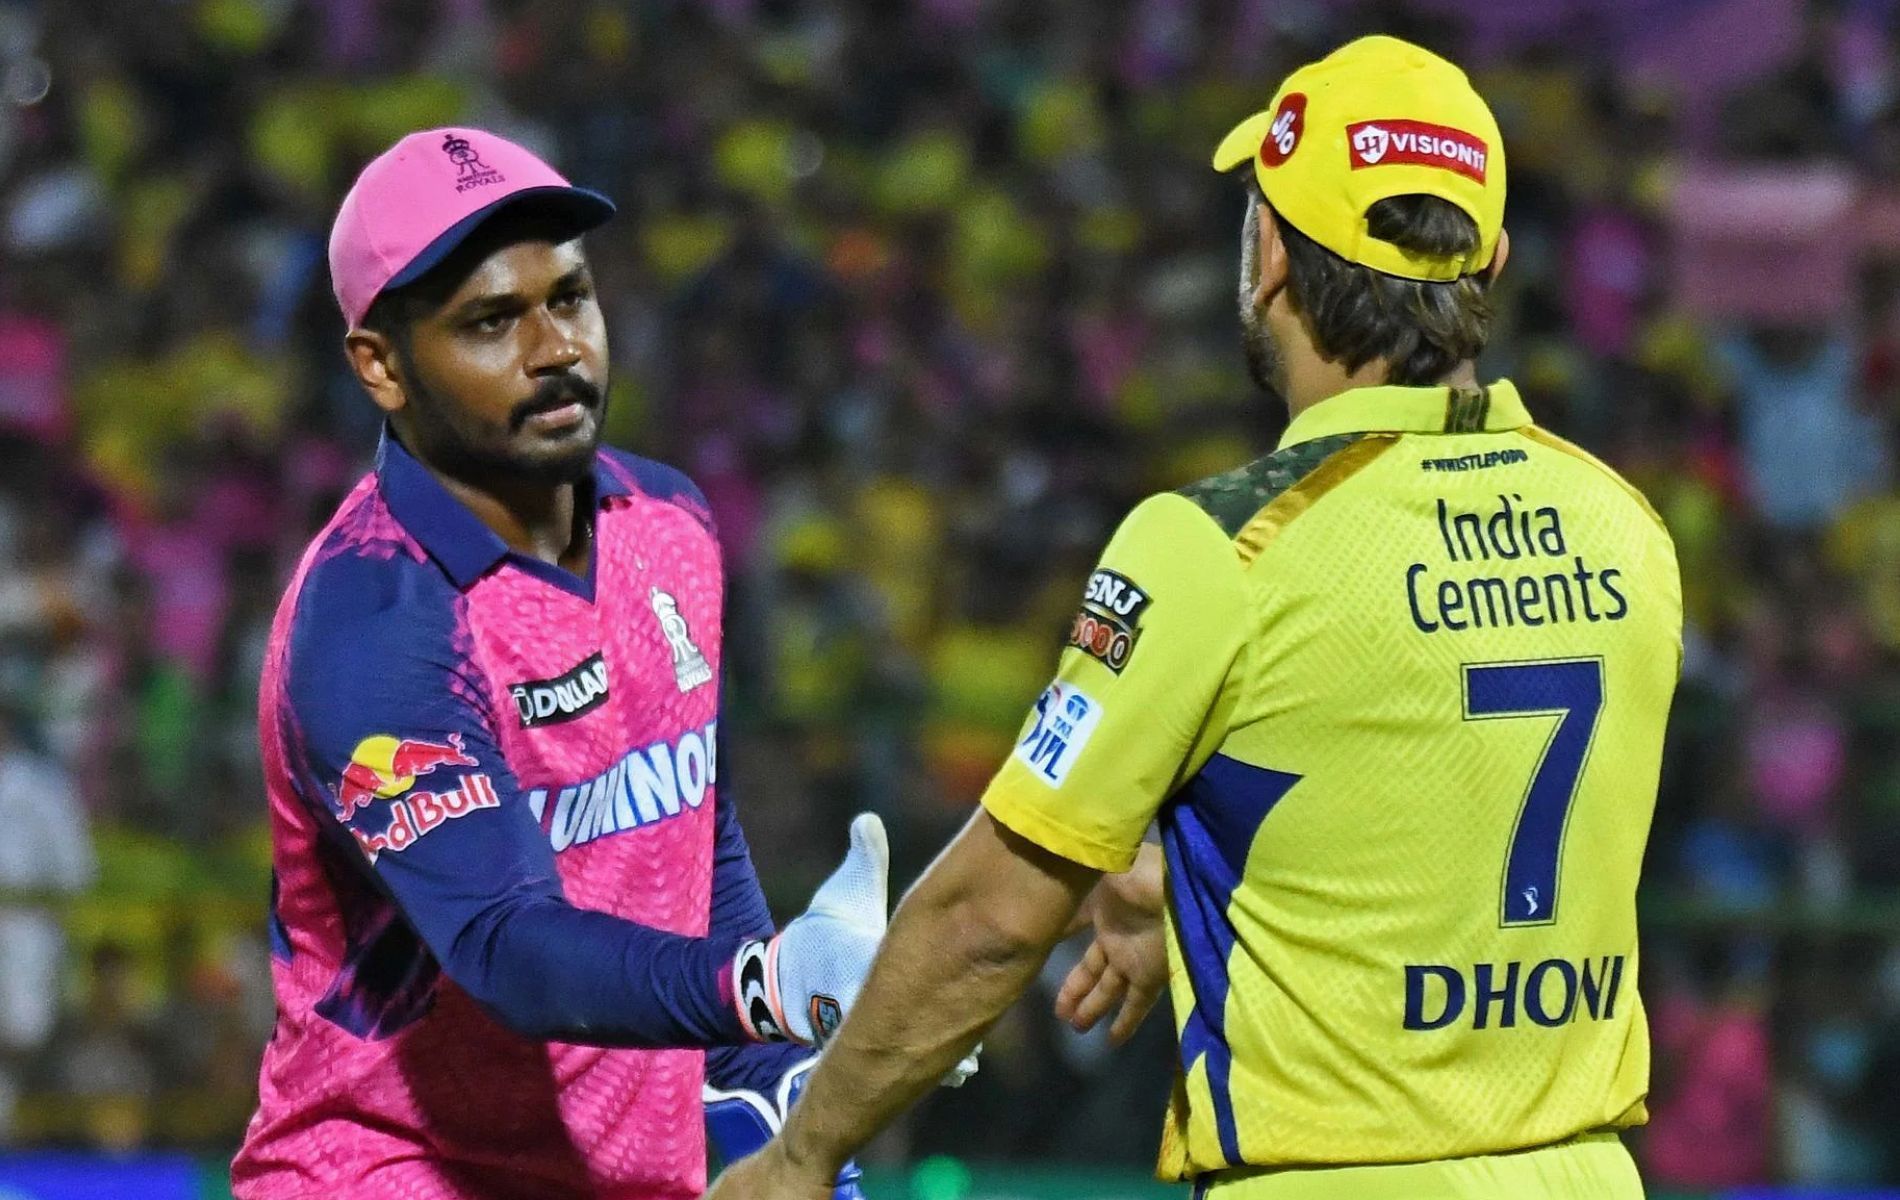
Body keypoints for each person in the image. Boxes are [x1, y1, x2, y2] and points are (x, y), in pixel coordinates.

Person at [708, 35, 1681, 1200]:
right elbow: (1437, 793)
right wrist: (1216, 883)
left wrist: (799, 1154)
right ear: (1491, 259)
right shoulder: (1624, 526)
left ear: (1269, 251)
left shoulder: (1217, 547)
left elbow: (989, 919)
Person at [232, 128, 905, 1200]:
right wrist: (769, 986)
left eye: (571, 297)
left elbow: (693, 836)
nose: (556, 349)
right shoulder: (375, 620)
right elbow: (507, 949)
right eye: (492, 322)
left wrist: (781, 1100)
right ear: (381, 366)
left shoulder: (670, 523)